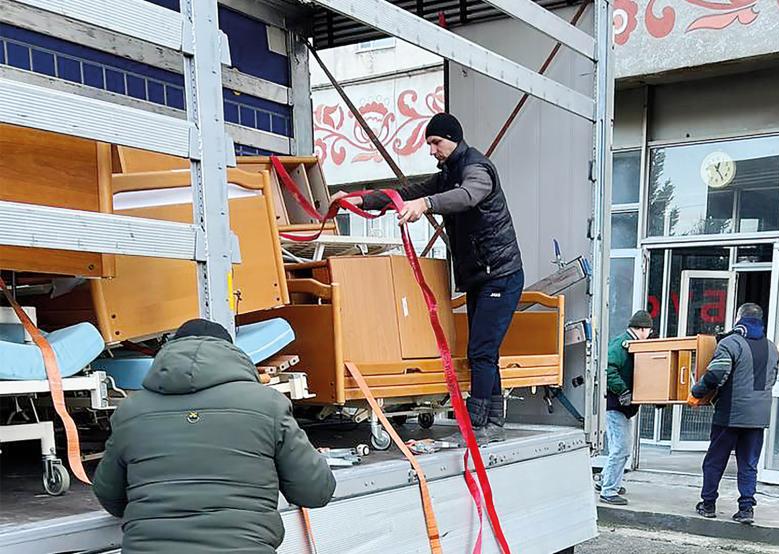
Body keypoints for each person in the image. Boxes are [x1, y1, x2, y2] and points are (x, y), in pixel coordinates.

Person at [333, 112, 523, 443]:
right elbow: (405, 193)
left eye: (436, 142)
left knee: (481, 351)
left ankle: (478, 427)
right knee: (484, 353)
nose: (432, 150)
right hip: (482, 276)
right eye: (430, 144)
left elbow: (468, 195)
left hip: (500, 274)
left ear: (453, 138)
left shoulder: (477, 169)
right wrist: (358, 199)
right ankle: (493, 424)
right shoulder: (447, 175)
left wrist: (427, 204)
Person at [92, 319, 335, 554]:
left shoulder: (131, 410)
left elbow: (109, 495)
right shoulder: (268, 404)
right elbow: (315, 491)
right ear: (232, 354)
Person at [691, 303, 779, 524]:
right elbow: (773, 379)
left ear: (739, 318)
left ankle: (708, 504)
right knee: (748, 463)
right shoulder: (772, 348)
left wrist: (696, 391)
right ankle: (746, 509)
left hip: (730, 413)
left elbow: (715, 375)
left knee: (715, 461)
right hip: (758, 417)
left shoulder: (731, 343)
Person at [597, 310, 653, 505]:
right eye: (649, 331)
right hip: (615, 406)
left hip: (620, 406)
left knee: (619, 447)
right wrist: (622, 391)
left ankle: (606, 481)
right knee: (621, 448)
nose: (649, 335)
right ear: (642, 329)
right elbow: (607, 369)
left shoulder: (630, 343)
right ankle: (608, 490)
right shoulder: (623, 344)